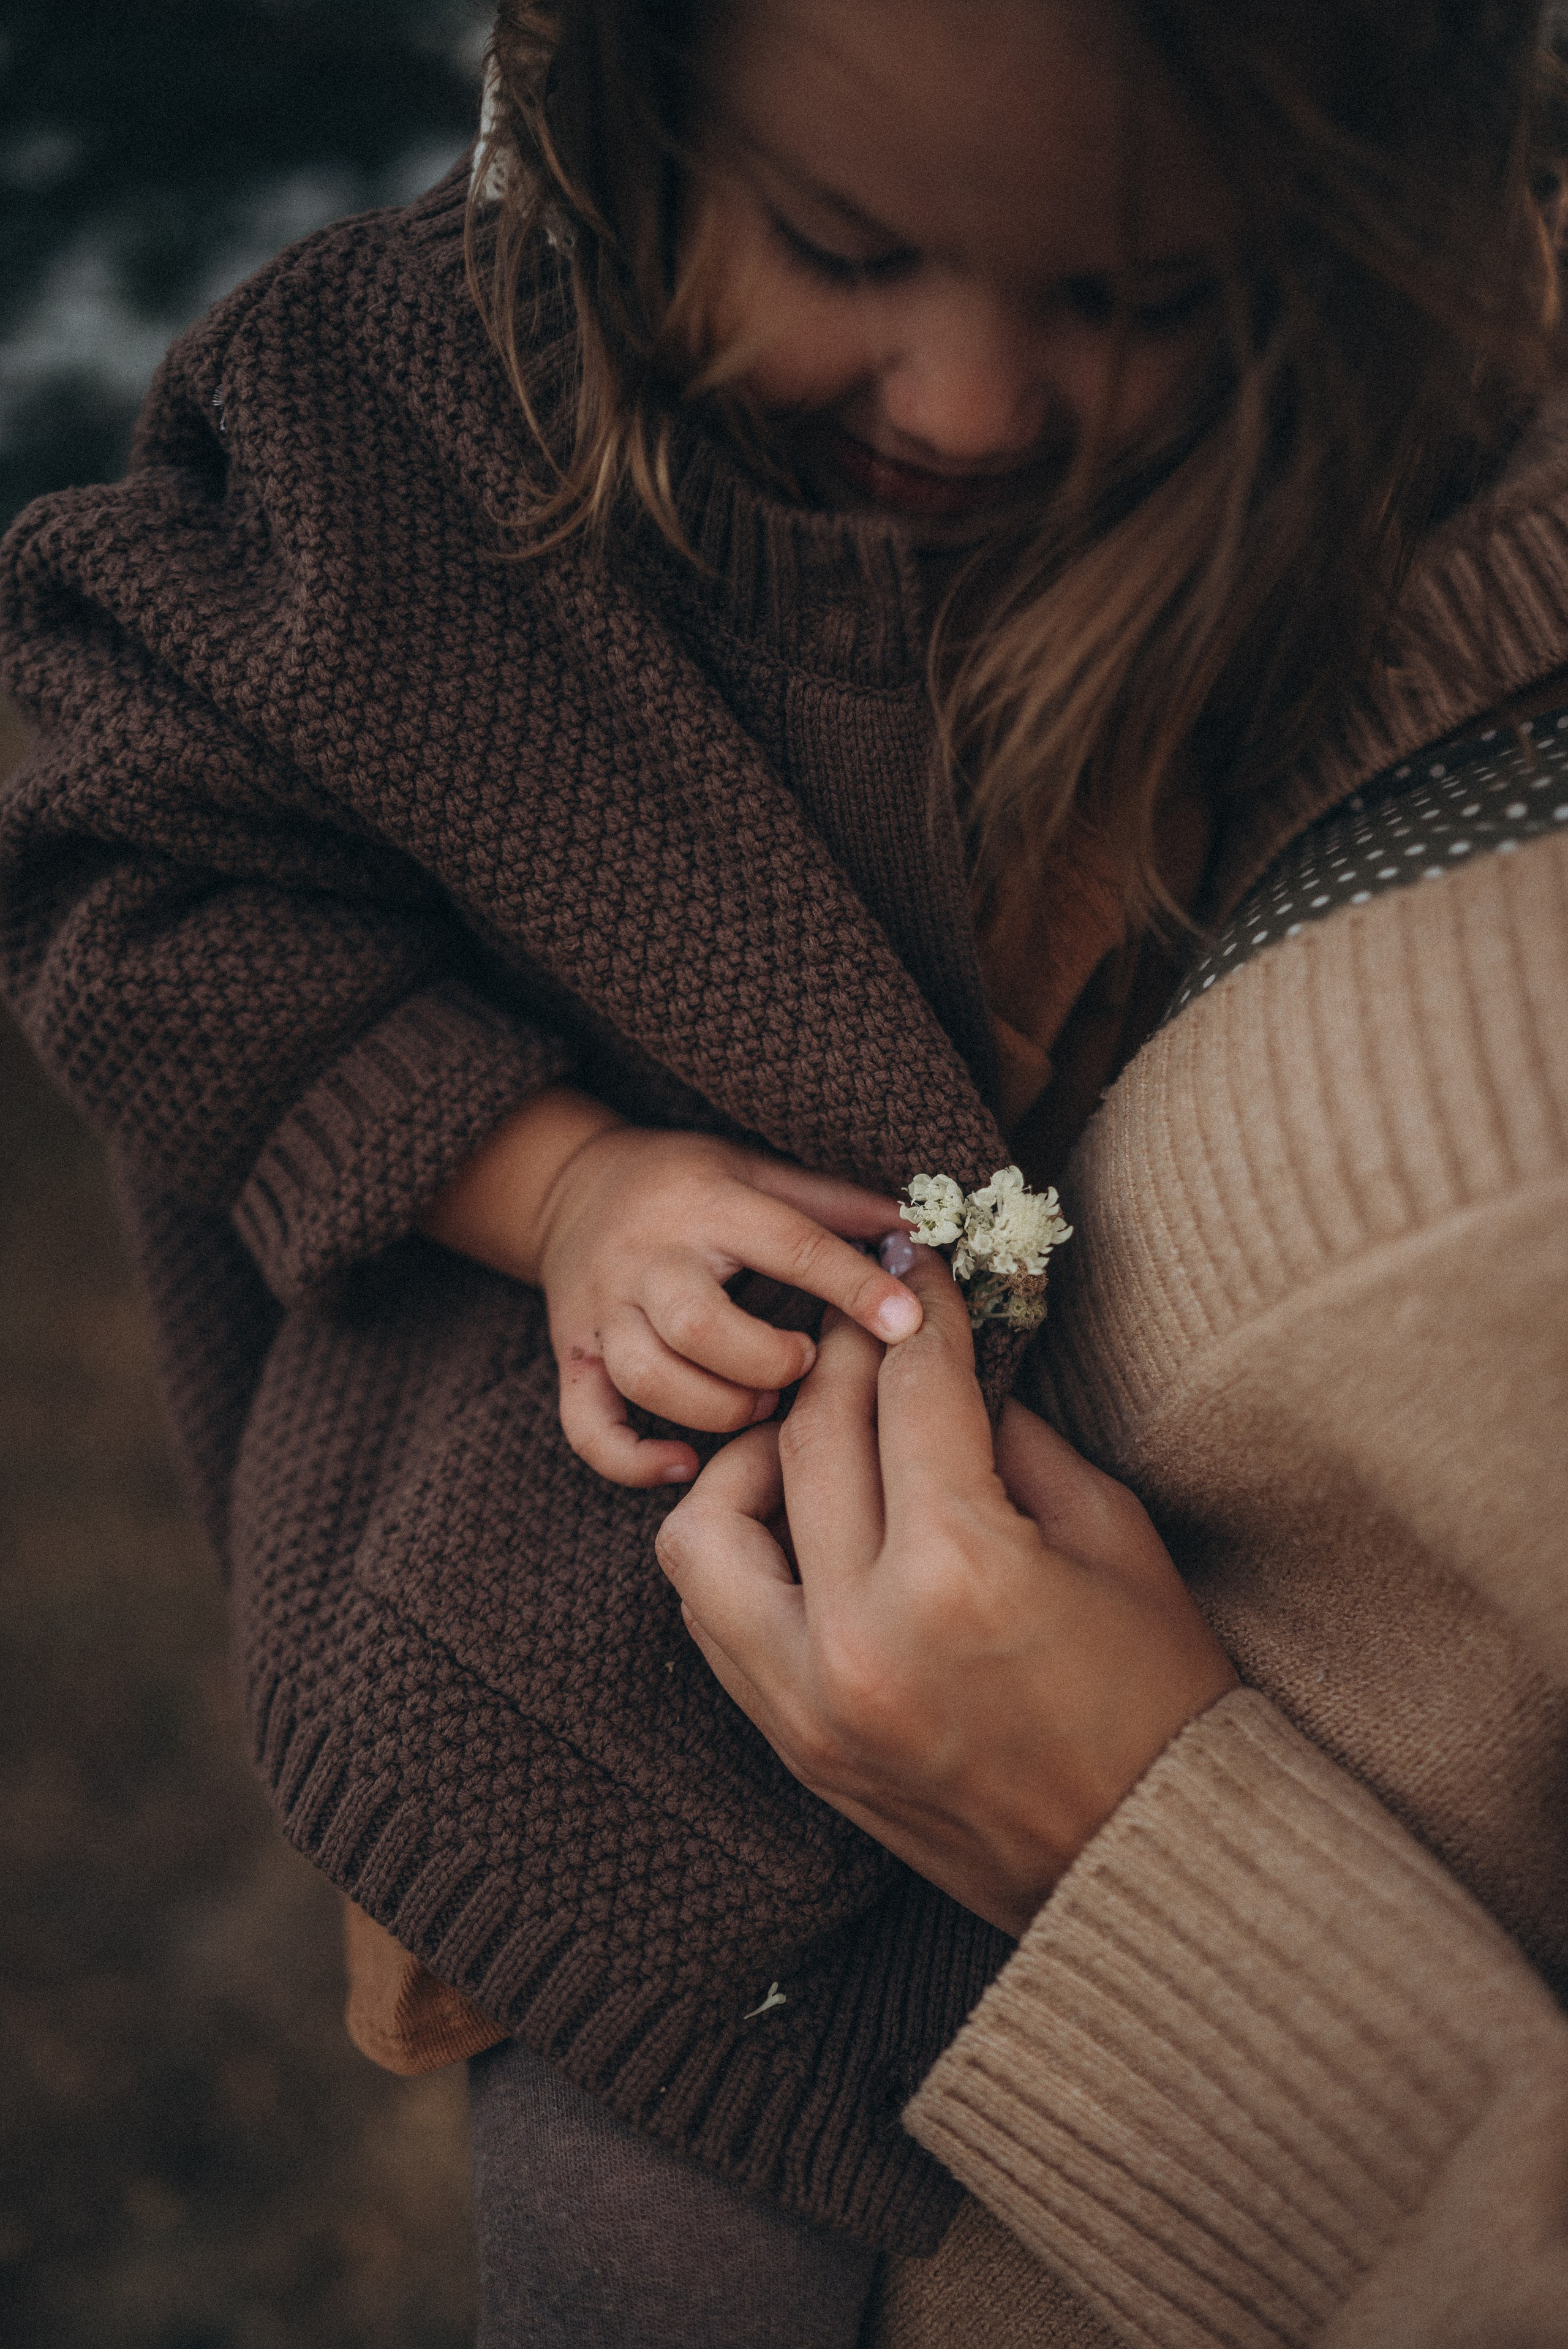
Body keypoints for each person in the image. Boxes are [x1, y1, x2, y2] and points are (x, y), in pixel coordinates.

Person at [1, 1, 1565, 2343]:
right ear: (620, 95)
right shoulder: (384, 437)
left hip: (1051, 1710)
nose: (962, 403)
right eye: (844, 249)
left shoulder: (1309, 491)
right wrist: (555, 1185)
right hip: (584, 1621)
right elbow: (123, 858)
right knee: (650, 2210)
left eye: (1130, 302)